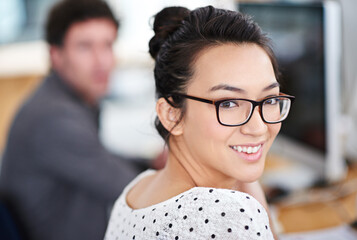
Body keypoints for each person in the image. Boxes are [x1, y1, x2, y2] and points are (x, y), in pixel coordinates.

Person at [104, 5, 295, 240]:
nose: (258, 128)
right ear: (172, 115)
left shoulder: (136, 190)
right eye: (228, 103)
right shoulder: (231, 215)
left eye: (269, 99)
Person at [0, 0, 160, 239]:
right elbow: (134, 191)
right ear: (56, 55)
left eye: (107, 45)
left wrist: (151, 161)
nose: (102, 61)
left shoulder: (63, 99)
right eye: (85, 47)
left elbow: (98, 157)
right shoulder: (54, 118)